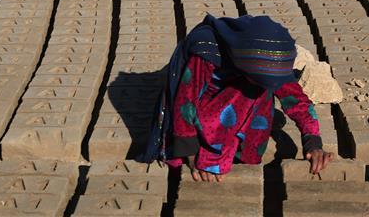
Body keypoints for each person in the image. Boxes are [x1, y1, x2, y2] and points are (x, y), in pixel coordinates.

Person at [139, 15, 334, 181]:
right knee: (244, 95)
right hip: (206, 104)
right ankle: (212, 153)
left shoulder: (269, 63)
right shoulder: (206, 52)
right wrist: (190, 155)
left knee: (260, 93)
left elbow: (297, 101)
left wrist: (313, 144)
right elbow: (185, 103)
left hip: (242, 101)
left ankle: (242, 154)